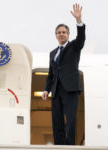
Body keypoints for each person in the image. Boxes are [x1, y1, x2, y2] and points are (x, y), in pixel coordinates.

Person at [42, 3, 86, 145]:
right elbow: (50, 75)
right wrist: (46, 90)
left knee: (70, 120)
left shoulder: (74, 47)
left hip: (70, 89)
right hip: (56, 91)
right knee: (57, 121)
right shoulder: (53, 53)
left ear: (68, 34)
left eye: (64, 32)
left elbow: (81, 38)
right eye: (59, 32)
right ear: (56, 35)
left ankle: (69, 146)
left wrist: (79, 21)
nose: (61, 34)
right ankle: (59, 146)